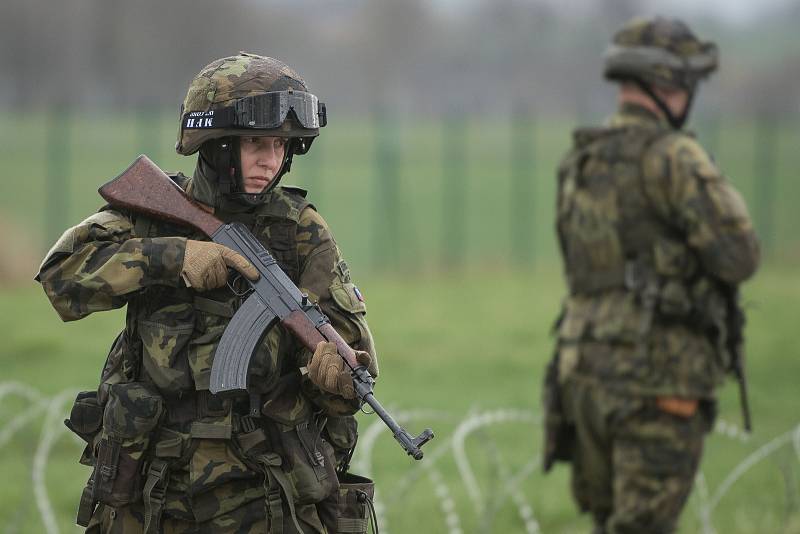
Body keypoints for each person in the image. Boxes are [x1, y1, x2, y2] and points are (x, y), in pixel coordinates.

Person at [36, 53, 378, 533]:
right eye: (256, 141)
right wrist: (173, 258)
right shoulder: (152, 214)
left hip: (265, 498)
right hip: (152, 494)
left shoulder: (299, 232)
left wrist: (338, 381)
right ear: (213, 144)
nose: (271, 159)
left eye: (282, 145)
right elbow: (60, 279)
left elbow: (352, 355)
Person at [542, 16, 760, 534]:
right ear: (669, 84)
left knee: (608, 523)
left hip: (583, 375)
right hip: (656, 377)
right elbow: (740, 256)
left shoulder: (582, 157)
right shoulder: (674, 157)